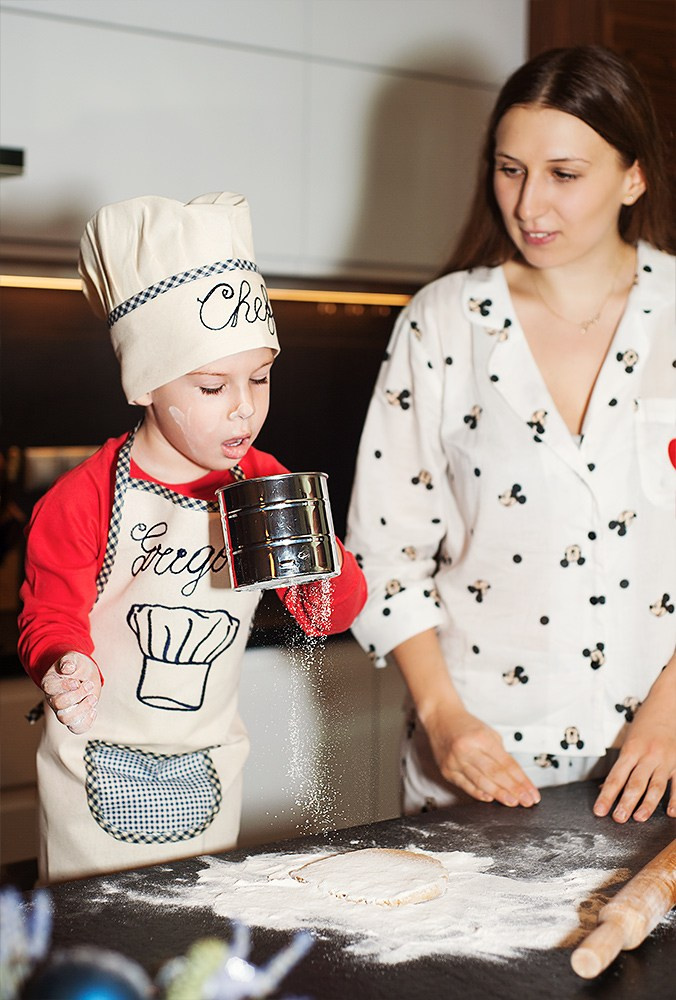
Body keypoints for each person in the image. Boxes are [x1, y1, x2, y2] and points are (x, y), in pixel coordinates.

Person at [346, 46, 675, 825]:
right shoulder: (444, 322)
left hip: (661, 758)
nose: (530, 204)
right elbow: (384, 554)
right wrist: (444, 718)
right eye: (510, 169)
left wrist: (669, 712)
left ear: (633, 177)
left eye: (564, 174)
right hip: (482, 761)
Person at [18, 192, 367, 883]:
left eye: (260, 378)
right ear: (146, 384)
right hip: (93, 769)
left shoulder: (262, 484)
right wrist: (65, 662)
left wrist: (318, 558)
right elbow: (49, 615)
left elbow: (331, 614)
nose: (245, 408)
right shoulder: (84, 496)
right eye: (213, 387)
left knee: (197, 928)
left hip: (209, 767)